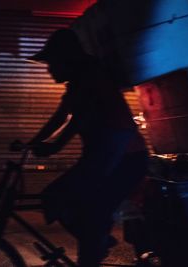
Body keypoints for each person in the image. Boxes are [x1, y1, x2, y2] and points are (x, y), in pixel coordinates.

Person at [28, 28, 149, 267]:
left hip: (125, 161)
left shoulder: (91, 78)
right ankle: (97, 241)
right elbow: (60, 116)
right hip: (107, 159)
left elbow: (76, 121)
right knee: (61, 200)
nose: (49, 69)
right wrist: (32, 142)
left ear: (67, 59)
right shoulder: (78, 82)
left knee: (88, 211)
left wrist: (51, 148)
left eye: (52, 63)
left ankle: (96, 244)